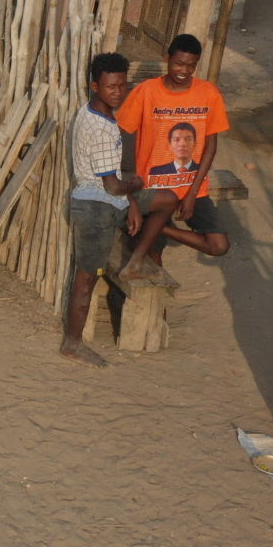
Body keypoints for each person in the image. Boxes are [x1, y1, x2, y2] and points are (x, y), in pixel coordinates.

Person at [119, 33, 231, 278]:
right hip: (154, 188)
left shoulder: (209, 93)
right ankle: (151, 239)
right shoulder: (146, 91)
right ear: (167, 58)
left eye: (191, 66)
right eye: (179, 64)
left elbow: (211, 146)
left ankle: (159, 228)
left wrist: (192, 193)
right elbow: (119, 133)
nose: (184, 71)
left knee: (219, 245)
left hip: (193, 188)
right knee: (153, 259)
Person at [63, 52, 140, 368]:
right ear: (95, 85)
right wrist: (135, 187)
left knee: (164, 201)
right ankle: (72, 344)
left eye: (122, 85)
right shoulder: (103, 130)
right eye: (111, 87)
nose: (118, 92)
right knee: (87, 278)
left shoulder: (94, 112)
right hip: (95, 209)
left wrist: (132, 200)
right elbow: (113, 187)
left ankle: (138, 259)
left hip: (103, 202)